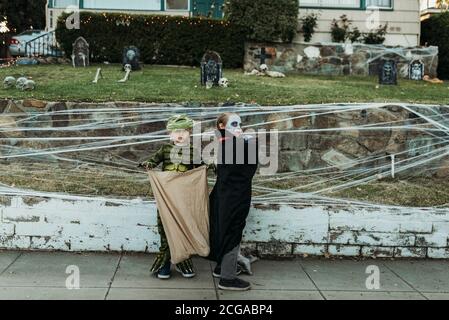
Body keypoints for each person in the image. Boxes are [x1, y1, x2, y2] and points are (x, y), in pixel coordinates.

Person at [140, 114, 202, 280]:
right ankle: (165, 264)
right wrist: (149, 165)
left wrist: (210, 167)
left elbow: (200, 169)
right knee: (165, 228)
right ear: (170, 134)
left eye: (184, 131)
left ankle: (183, 262)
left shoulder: (192, 152)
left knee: (182, 228)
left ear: (190, 132)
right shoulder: (165, 150)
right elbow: (154, 161)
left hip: (183, 198)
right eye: (176, 131)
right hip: (166, 197)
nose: (180, 134)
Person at [208, 112, 258, 291]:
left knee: (226, 229)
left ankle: (222, 268)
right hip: (234, 197)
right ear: (222, 127)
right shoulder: (231, 145)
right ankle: (227, 279)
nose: (239, 128)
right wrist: (250, 144)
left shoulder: (225, 143)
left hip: (226, 195)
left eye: (240, 124)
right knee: (232, 232)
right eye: (234, 124)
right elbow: (246, 170)